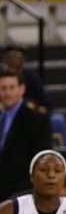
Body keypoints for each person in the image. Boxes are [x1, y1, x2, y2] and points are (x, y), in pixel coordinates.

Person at [0, 69, 52, 203]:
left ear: (22, 89)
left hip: (21, 195)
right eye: (3, 88)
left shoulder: (37, 120)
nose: (7, 93)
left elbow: (39, 161)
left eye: (11, 88)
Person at [1, 45, 51, 113]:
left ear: (24, 59)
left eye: (18, 56)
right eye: (11, 56)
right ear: (5, 58)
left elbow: (45, 103)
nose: (14, 59)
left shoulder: (32, 77)